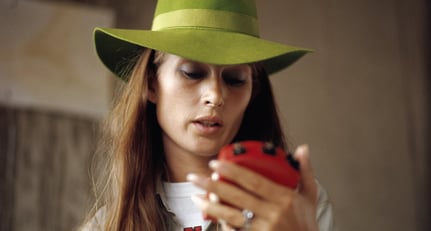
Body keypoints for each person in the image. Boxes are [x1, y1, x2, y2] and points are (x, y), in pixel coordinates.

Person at [81, 0, 336, 230]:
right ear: (151, 84)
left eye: (235, 79)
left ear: (253, 92)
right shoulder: (107, 226)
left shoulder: (294, 204)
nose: (215, 95)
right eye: (192, 73)